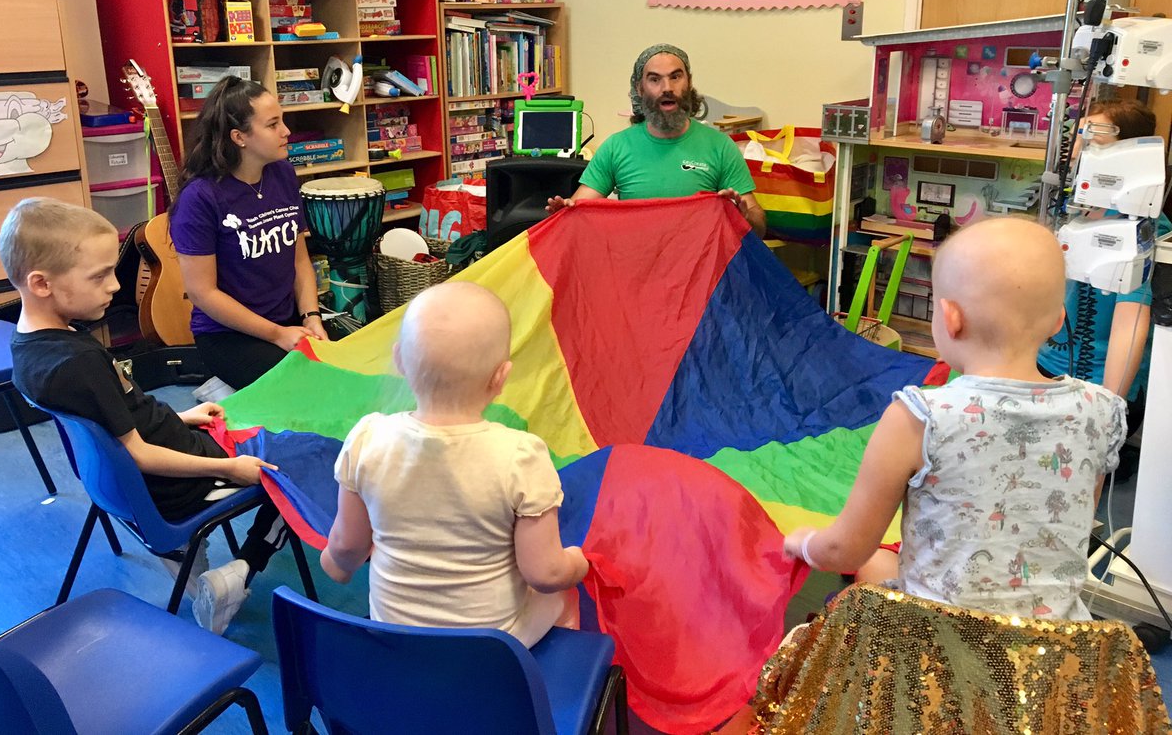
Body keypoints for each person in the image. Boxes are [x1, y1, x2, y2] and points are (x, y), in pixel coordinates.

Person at [782, 218, 1125, 619]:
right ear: (1057, 322)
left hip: (940, 650)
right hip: (1055, 648)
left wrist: (803, 543)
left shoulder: (919, 416)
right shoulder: (1101, 411)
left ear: (949, 317)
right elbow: (1075, 519)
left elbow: (845, 549)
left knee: (871, 563)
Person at [1, 197, 289, 634]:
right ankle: (242, 572)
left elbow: (116, 415)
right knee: (296, 469)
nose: (115, 286)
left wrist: (181, 416)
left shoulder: (32, 349)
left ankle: (183, 560)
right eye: (99, 276)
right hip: (177, 487)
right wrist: (230, 467)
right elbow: (141, 455)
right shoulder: (78, 363)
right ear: (41, 283)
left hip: (119, 487)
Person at [320, 281, 588, 647]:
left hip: (395, 639)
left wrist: (336, 565)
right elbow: (543, 572)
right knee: (562, 595)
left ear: (400, 360)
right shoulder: (520, 455)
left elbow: (348, 546)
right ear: (501, 377)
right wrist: (578, 562)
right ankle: (556, 671)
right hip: (489, 651)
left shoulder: (368, 438)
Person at [170, 77, 327, 392]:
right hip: (227, 335)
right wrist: (276, 335)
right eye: (273, 125)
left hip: (288, 319)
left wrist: (311, 316)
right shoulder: (200, 198)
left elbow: (299, 260)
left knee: (353, 369)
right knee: (305, 390)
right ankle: (222, 392)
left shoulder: (282, 173)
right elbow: (203, 293)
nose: (286, 132)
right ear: (239, 137)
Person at [1038, 99, 1171, 433]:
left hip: (1096, 381)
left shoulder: (1143, 231)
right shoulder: (1075, 210)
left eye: (1094, 142)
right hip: (1046, 364)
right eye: (1078, 138)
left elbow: (1130, 323)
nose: (1075, 152)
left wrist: (1110, 410)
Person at [545, 44, 767, 238]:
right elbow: (580, 207)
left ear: (688, 83)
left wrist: (744, 216)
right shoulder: (616, 147)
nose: (667, 88)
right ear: (640, 89)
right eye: (654, 79)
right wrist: (566, 212)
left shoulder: (721, 146)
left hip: (702, 276)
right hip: (636, 271)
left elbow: (759, 228)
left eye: (675, 76)